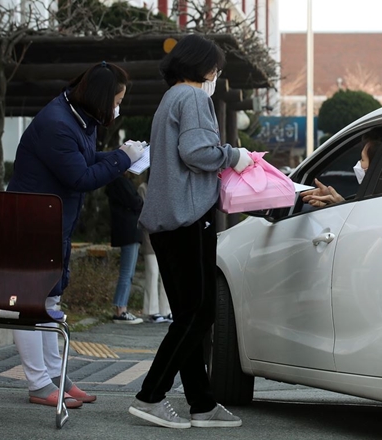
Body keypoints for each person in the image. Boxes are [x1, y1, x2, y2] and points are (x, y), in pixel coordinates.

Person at [129, 34, 253, 429]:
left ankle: (201, 403)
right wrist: (237, 156)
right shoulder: (195, 98)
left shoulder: (170, 98)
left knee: (189, 313)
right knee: (197, 314)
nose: (216, 73)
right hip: (188, 218)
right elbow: (198, 153)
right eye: (215, 66)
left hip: (168, 219)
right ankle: (151, 395)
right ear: (202, 66)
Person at [7, 61, 145, 408]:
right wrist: (121, 161)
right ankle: (39, 383)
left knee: (50, 302)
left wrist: (120, 156)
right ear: (101, 98)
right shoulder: (58, 124)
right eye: (118, 99)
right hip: (32, 225)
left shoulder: (78, 119)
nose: (119, 107)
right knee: (29, 304)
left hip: (53, 224)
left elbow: (82, 161)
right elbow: (80, 177)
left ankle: (57, 377)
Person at [105, 172, 144, 324]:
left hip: (126, 231)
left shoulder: (114, 182)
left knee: (127, 272)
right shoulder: (120, 182)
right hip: (130, 231)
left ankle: (121, 307)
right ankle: (121, 309)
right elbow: (136, 202)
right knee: (127, 272)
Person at [301, 136, 382, 207]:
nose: (359, 163)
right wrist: (335, 201)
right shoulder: (376, 195)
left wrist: (338, 203)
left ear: (375, 165)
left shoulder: (378, 199)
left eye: (362, 159)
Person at [137, 179, 172, 324]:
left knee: (166, 274)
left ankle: (167, 310)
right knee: (152, 272)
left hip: (166, 235)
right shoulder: (143, 188)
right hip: (150, 236)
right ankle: (152, 311)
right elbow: (145, 213)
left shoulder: (165, 186)